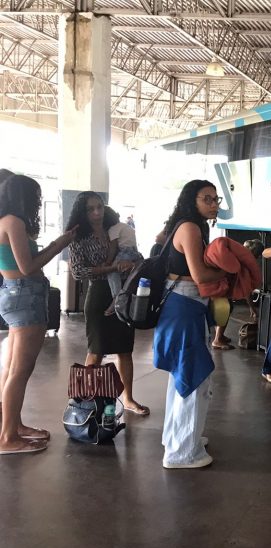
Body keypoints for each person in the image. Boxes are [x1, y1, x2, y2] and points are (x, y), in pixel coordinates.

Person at [154, 180, 227, 468]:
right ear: (191, 200)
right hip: (185, 304)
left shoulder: (184, 225)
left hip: (183, 306)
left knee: (182, 375)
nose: (213, 204)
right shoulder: (191, 228)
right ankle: (183, 452)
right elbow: (199, 275)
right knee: (193, 377)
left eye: (215, 198)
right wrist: (230, 270)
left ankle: (178, 436)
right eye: (206, 198)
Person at [0, 175, 75, 454]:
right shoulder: (13, 222)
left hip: (14, 292)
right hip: (24, 294)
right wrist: (60, 244)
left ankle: (13, 426)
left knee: (11, 368)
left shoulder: (4, 221)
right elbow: (28, 266)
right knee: (20, 370)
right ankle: (7, 438)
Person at [67, 192, 148, 416]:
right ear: (82, 213)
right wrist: (113, 267)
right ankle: (84, 403)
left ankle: (128, 399)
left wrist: (131, 263)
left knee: (125, 349)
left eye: (99, 207)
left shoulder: (116, 229)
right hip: (98, 295)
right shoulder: (79, 237)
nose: (96, 213)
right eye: (90, 209)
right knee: (96, 351)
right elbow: (78, 271)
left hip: (122, 294)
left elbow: (137, 257)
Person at [103, 207, 143, 316]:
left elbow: (113, 247)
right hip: (135, 252)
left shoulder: (113, 229)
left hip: (125, 252)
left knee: (111, 271)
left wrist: (108, 262)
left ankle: (117, 297)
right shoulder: (125, 225)